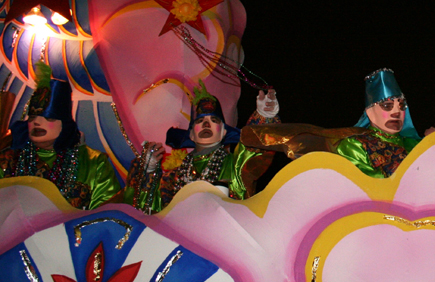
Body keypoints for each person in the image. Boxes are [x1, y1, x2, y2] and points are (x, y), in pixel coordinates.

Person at [125, 82, 279, 213]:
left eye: (213, 120)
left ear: (223, 132)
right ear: (191, 134)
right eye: (200, 121)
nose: (206, 124)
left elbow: (255, 149)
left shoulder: (235, 165)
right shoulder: (173, 178)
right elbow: (146, 212)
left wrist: (264, 117)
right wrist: (148, 170)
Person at [0, 62, 122, 209]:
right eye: (32, 118)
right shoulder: (9, 159)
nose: (37, 123)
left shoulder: (94, 163)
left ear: (64, 124)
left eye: (49, 118)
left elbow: (105, 212)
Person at [335, 68, 434, 178]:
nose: (397, 112)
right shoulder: (354, 146)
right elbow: (361, 185)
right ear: (370, 112)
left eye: (401, 106)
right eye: (387, 106)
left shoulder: (415, 145)